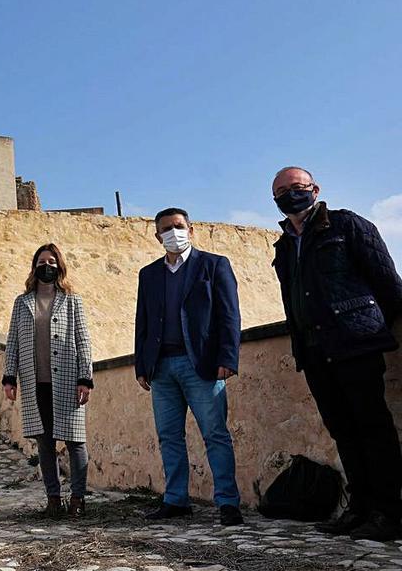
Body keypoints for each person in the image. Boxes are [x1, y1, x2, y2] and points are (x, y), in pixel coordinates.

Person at [270, 167, 402, 541]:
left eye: (296, 187)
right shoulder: (284, 246)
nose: (289, 195)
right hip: (314, 353)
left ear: (315, 189)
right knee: (343, 431)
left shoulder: (347, 226)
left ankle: (389, 513)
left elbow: (389, 286)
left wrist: (366, 328)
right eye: (281, 191)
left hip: (355, 346)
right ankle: (359, 508)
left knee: (372, 428)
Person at [135, 208, 244, 526]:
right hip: (161, 367)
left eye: (178, 226)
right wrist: (141, 364)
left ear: (191, 229)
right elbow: (142, 321)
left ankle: (227, 502)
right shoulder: (149, 274)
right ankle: (176, 500)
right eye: (166, 229)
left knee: (215, 434)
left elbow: (229, 315)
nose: (173, 232)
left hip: (203, 366)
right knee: (169, 436)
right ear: (157, 236)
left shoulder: (214, 265)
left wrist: (228, 358)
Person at [2, 243, 95, 517]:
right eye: (43, 261)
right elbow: (12, 342)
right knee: (44, 442)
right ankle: (53, 499)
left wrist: (85, 378)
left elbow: (84, 341)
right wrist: (10, 376)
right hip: (35, 381)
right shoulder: (22, 302)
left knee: (76, 441)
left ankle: (78, 498)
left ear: (60, 266)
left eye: (52, 262)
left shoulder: (72, 301)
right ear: (34, 266)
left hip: (67, 380)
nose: (47, 266)